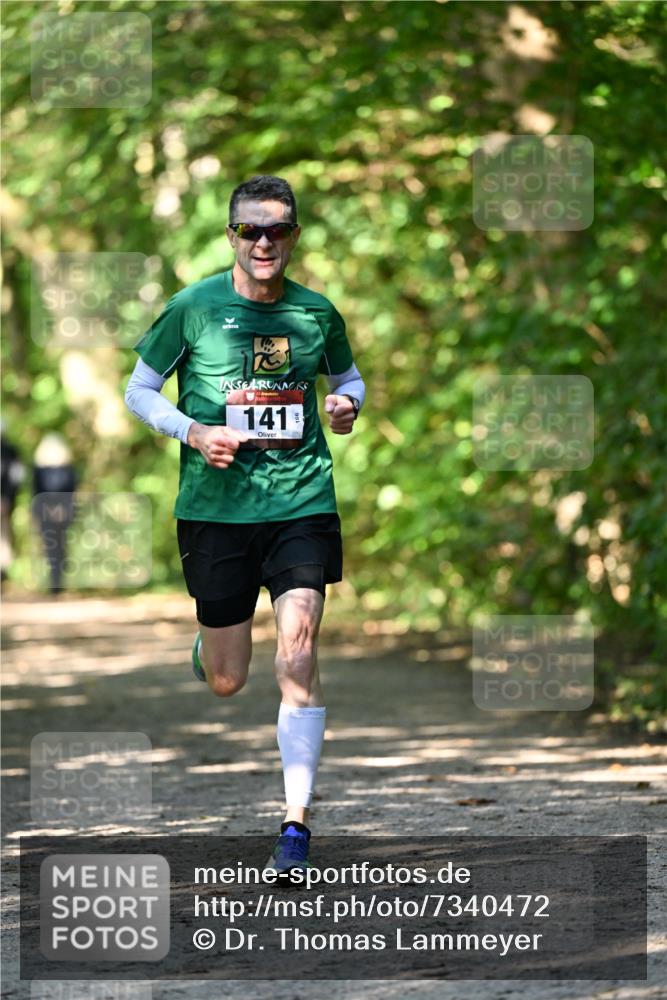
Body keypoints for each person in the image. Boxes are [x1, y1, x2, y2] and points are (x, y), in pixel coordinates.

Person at [125, 175, 365, 874]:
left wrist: (345, 407)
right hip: (215, 510)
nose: (265, 242)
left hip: (300, 501)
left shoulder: (316, 313)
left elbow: (345, 382)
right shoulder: (192, 308)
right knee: (228, 680)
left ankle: (295, 825)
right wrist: (194, 432)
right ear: (231, 236)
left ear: (293, 235)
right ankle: (211, 648)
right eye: (250, 231)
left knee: (298, 650)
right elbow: (139, 390)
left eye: (278, 230)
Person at [32, 433, 77, 593]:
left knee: (54, 546)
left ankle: (56, 582)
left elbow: (36, 492)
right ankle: (56, 582)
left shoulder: (42, 469)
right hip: (54, 511)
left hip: (55, 512)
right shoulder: (67, 468)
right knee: (57, 546)